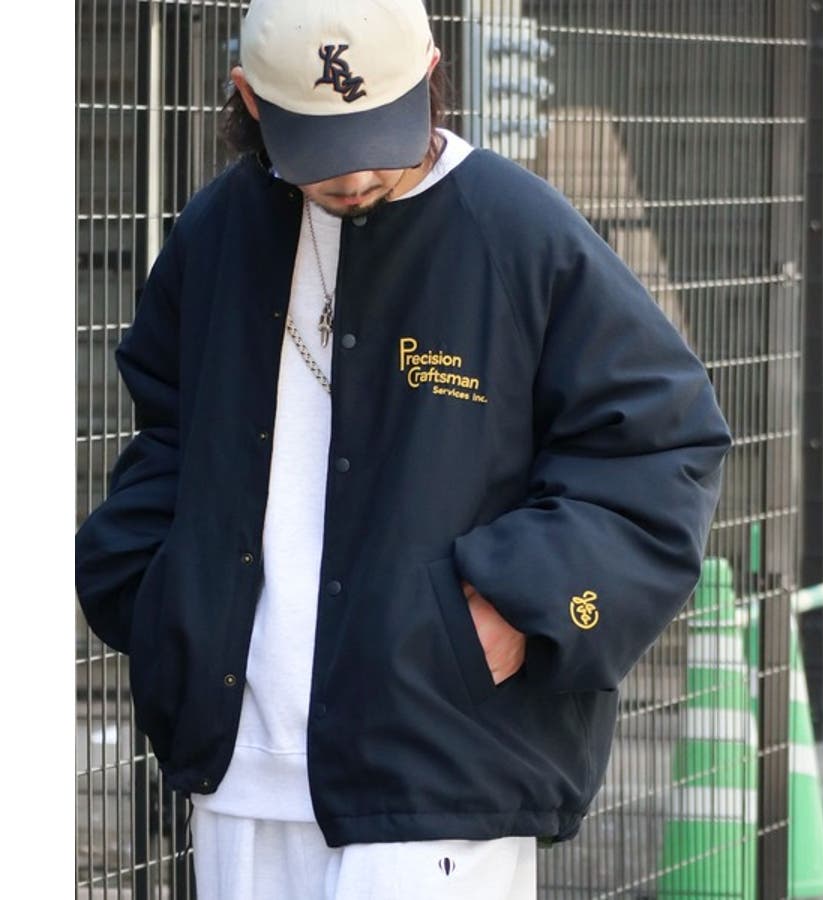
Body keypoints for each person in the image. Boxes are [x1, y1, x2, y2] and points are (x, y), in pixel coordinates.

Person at [75, 0, 732, 897]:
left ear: (430, 75)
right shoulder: (218, 231)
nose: (353, 174)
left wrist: (526, 605)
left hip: (440, 765)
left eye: (378, 134)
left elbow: (664, 444)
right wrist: (157, 595)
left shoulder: (517, 232)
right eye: (319, 145)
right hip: (238, 770)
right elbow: (169, 430)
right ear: (251, 101)